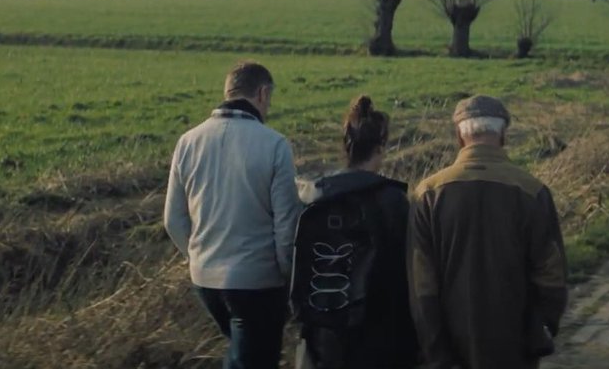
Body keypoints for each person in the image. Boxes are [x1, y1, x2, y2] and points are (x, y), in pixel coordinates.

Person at [408, 95, 569, 369]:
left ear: (459, 136)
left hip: (448, 346)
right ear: (503, 134)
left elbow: (421, 283)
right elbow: (552, 274)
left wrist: (435, 349)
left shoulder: (427, 194)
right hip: (514, 344)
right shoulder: (532, 191)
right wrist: (540, 328)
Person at [163, 61, 302, 369]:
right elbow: (286, 226)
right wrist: (289, 280)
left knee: (242, 353)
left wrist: (198, 256)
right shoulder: (274, 145)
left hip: (205, 280)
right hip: (258, 282)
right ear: (263, 93)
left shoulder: (187, 141)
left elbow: (173, 220)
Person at [290, 96, 419, 369]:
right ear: (382, 146)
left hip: (324, 331)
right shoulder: (392, 200)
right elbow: (406, 270)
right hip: (378, 333)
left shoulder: (315, 196)